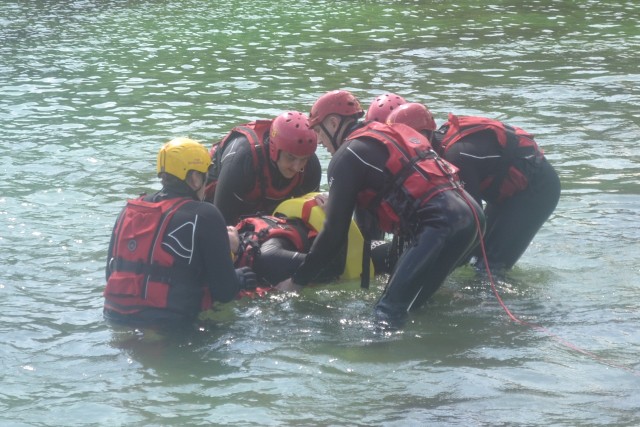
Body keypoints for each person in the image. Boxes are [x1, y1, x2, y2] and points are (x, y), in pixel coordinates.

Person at [276, 90, 484, 328]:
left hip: (439, 223)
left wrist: (297, 281)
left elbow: (334, 234)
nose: (320, 142)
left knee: (386, 313)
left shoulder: (347, 155)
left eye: (319, 131)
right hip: (472, 216)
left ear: (333, 123)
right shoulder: (384, 134)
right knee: (417, 305)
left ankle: (370, 361)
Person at [104, 137, 257, 327]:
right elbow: (225, 292)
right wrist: (237, 269)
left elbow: (109, 274)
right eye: (204, 175)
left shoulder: (128, 210)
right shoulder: (205, 214)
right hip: (171, 324)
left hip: (116, 316)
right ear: (194, 178)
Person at [387, 104, 561, 271]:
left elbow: (471, 225)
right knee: (478, 254)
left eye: (410, 141)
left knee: (491, 264)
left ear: (426, 134)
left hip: (537, 190)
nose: (408, 149)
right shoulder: (437, 150)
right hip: (507, 191)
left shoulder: (457, 157)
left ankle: (495, 301)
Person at [205, 111, 321, 225]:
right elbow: (222, 223)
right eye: (290, 157)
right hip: (225, 202)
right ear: (274, 149)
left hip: (264, 207)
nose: (297, 167)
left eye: (304, 159)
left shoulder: (311, 165)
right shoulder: (242, 160)